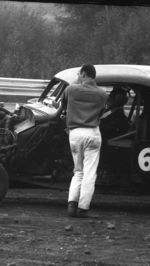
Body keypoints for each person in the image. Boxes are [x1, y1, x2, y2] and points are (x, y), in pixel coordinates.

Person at [62, 64, 108, 218]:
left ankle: (71, 204)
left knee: (78, 171)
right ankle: (83, 207)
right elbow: (101, 113)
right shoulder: (102, 94)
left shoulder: (71, 89)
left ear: (83, 74)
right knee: (90, 173)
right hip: (93, 133)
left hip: (75, 133)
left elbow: (63, 106)